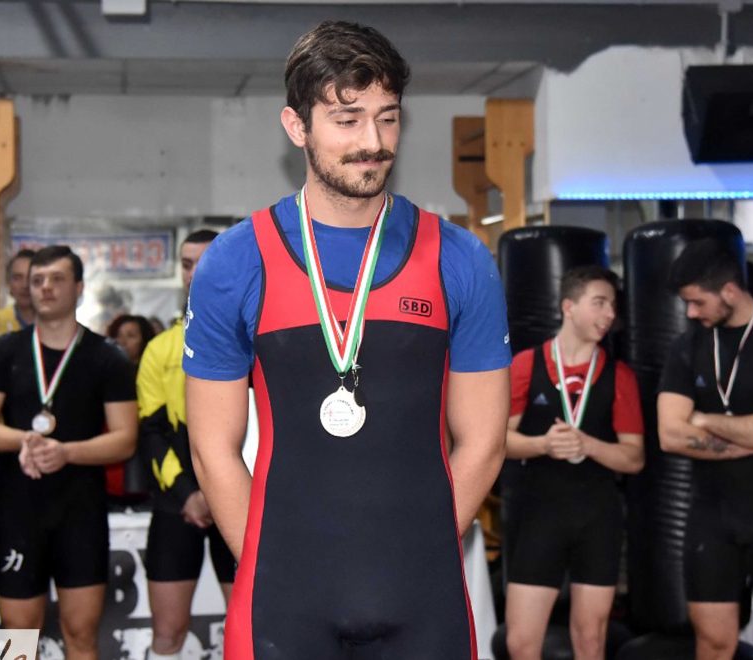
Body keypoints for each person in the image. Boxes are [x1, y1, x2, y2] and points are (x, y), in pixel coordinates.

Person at [184, 21, 510, 659]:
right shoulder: (236, 261)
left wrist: (421, 550)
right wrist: (269, 563)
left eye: (388, 119)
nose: (373, 142)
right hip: (284, 600)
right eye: (347, 120)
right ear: (296, 126)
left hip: (422, 595)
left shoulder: (459, 258)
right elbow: (212, 448)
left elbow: (484, 441)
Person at [0, 245, 138, 660]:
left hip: (80, 511)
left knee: (80, 634)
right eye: (37, 280)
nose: (45, 288)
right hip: (19, 509)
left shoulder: (107, 356)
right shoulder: (3, 351)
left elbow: (125, 439)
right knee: (18, 635)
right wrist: (24, 441)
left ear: (79, 288)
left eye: (56, 279)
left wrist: (66, 452)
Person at [657, 238, 753, 660]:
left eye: (697, 301)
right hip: (711, 515)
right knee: (714, 643)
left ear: (729, 291)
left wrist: (705, 420)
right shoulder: (686, 347)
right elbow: (670, 434)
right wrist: (751, 437)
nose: (691, 313)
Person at [503, 266, 644, 660]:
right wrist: (543, 444)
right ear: (569, 306)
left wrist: (589, 445)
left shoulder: (619, 375)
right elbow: (498, 441)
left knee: (590, 639)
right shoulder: (526, 365)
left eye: (613, 306)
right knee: (520, 641)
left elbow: (634, 458)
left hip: (597, 516)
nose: (609, 314)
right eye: (599, 303)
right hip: (539, 514)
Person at [138, 229, 236, 660]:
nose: (194, 272)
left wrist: (221, 494)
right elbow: (152, 433)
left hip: (239, 499)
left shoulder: (252, 340)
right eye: (186, 263)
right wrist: (188, 495)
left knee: (248, 632)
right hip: (177, 504)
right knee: (167, 635)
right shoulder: (159, 349)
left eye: (204, 261)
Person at [0, 249, 36, 344]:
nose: (25, 285)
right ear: (8, 284)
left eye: (31, 277)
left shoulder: (56, 323)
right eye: (17, 278)